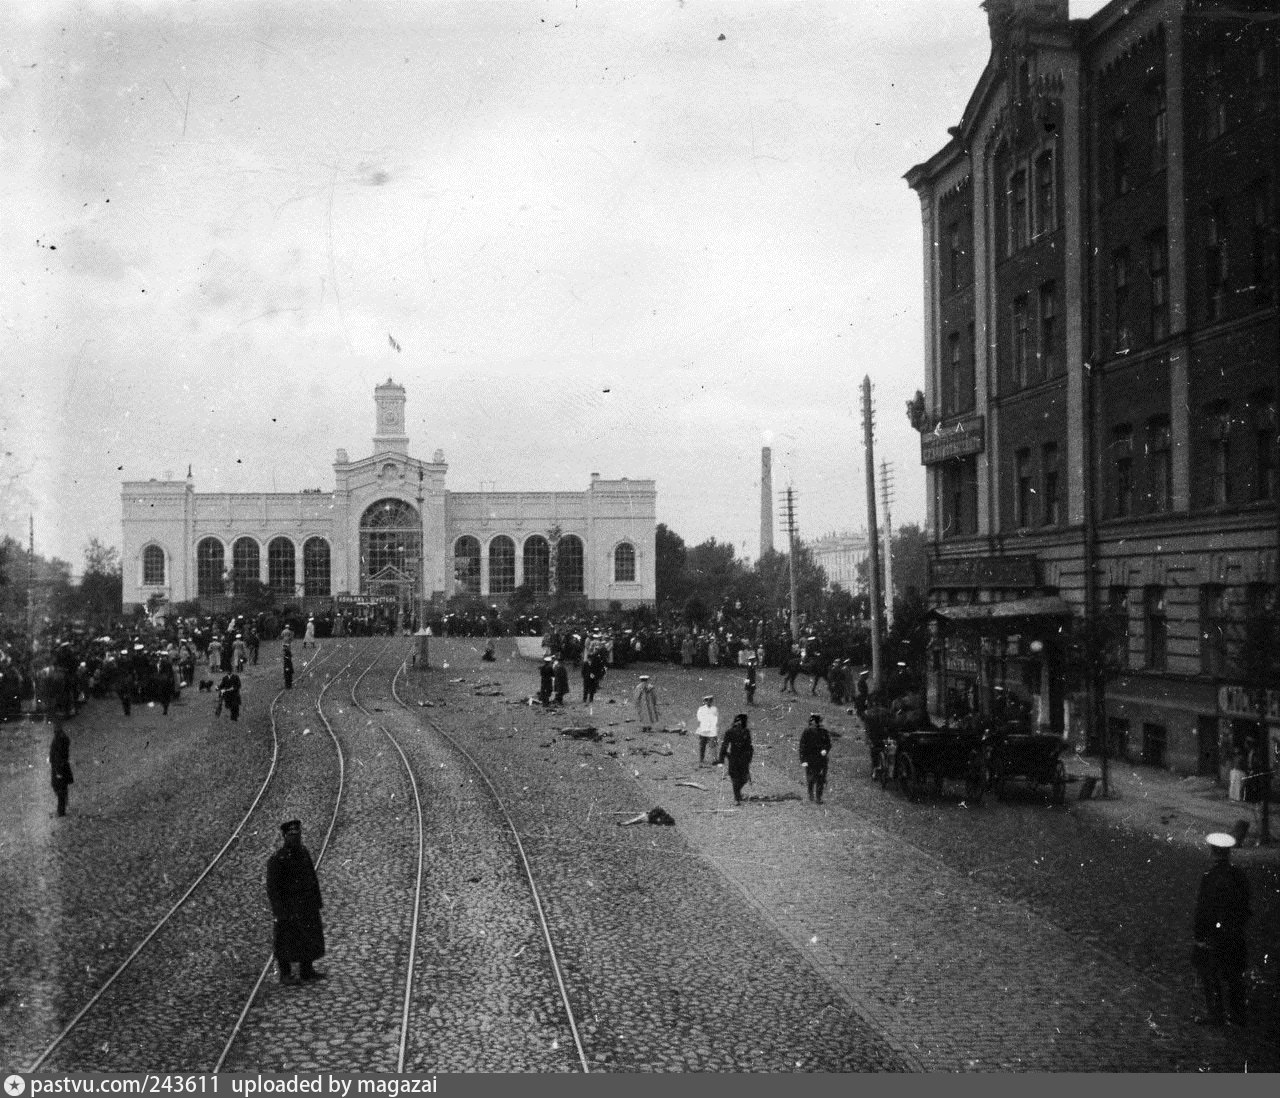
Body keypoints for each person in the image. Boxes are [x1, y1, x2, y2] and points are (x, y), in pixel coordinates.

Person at [1192, 831, 1251, 1027]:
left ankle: (1216, 1013)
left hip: (1215, 935)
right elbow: (1245, 905)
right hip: (1235, 933)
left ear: (1213, 852)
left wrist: (1200, 936)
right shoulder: (1239, 875)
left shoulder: (1210, 877)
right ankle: (1238, 1014)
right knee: (1234, 974)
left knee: (1211, 973)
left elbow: (1204, 909)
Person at [266, 820, 326, 985]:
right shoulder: (278, 859)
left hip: (306, 905)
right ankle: (285, 975)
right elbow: (272, 888)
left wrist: (317, 901)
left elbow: (312, 878)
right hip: (288, 907)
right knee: (285, 941)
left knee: (309, 937)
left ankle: (307, 970)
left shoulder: (304, 852)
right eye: (291, 836)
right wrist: (279, 910)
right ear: (285, 837)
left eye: (297, 835)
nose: (295, 838)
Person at [718, 713, 754, 803]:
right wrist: (749, 758)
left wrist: (722, 758)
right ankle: (737, 797)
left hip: (735, 758)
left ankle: (737, 796)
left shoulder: (732, 731)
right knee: (742, 778)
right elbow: (749, 746)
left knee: (737, 778)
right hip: (741, 758)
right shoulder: (744, 732)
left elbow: (724, 746)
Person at [799, 713, 833, 804]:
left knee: (821, 779)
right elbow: (802, 747)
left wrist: (825, 750)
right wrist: (803, 760)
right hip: (810, 759)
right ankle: (811, 794)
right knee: (811, 778)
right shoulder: (807, 732)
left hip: (821, 759)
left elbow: (828, 744)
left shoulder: (824, 732)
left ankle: (818, 797)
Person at [49, 721, 73, 817]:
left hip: (59, 768)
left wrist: (58, 771)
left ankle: (61, 811)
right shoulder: (60, 738)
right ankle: (61, 810)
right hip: (60, 767)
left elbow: (58, 755)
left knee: (60, 789)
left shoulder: (59, 739)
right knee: (61, 789)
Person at [695, 694, 719, 765]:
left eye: (710, 700)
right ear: (704, 701)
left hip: (711, 730)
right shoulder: (701, 709)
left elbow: (715, 719)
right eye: (707, 700)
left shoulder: (714, 709)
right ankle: (701, 759)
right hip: (703, 730)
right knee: (702, 745)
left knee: (713, 745)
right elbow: (699, 719)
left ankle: (714, 759)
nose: (709, 702)